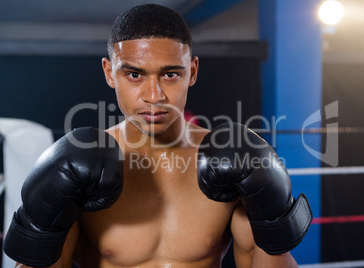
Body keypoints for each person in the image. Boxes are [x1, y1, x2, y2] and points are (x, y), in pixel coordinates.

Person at [3, 4, 312, 268]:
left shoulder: (231, 163)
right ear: (110, 73)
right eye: (134, 74)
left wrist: (274, 220)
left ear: (192, 72)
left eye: (170, 74)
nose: (154, 95)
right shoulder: (79, 168)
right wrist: (41, 227)